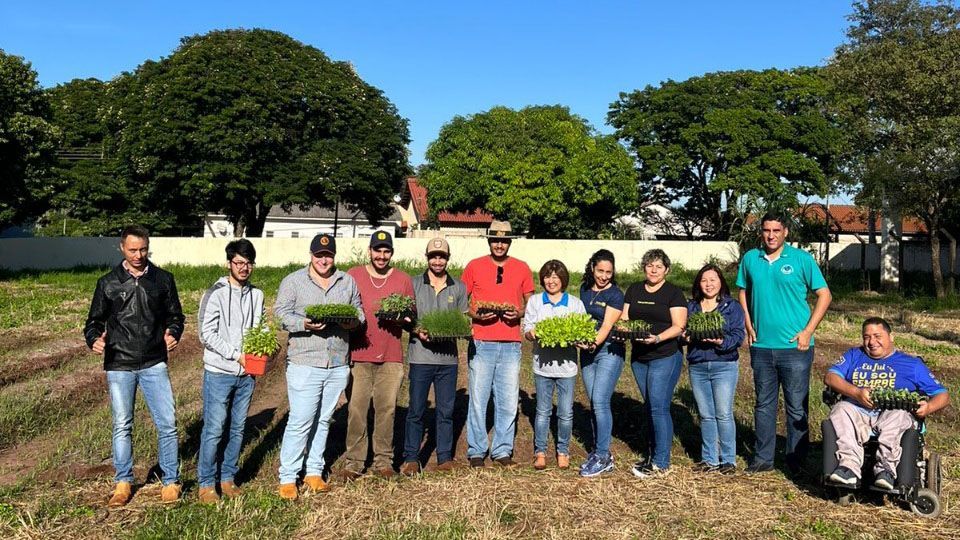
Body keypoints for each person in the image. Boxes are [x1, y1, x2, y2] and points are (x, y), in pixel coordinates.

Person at [83, 225, 185, 506]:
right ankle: (123, 481)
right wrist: (93, 339)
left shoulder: (163, 280)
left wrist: (173, 332)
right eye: (133, 250)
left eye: (143, 249)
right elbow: (93, 322)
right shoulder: (108, 283)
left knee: (167, 424)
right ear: (121, 248)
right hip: (119, 364)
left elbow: (176, 315)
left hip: (154, 362)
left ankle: (171, 481)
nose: (139, 255)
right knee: (122, 424)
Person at [736, 213, 832, 474]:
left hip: (795, 348)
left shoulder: (801, 259)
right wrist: (748, 323)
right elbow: (743, 291)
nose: (770, 235)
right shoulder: (750, 259)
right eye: (766, 230)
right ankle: (763, 458)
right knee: (763, 404)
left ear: (786, 232)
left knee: (796, 406)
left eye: (776, 230)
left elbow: (824, 295)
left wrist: (808, 331)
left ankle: (796, 461)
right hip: (762, 347)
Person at [275, 234, 362, 500]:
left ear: (334, 256)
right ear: (311, 255)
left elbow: (358, 313)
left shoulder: (346, 281)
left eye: (328, 255)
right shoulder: (294, 281)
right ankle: (288, 477)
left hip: (336, 362)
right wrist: (304, 324)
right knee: (301, 420)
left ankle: (314, 471)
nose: (324, 260)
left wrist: (351, 323)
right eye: (319, 255)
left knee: (324, 419)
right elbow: (280, 313)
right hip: (305, 361)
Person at [824, 317, 949, 489]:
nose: (871, 342)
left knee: (897, 415)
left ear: (891, 337)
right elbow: (831, 377)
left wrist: (928, 407)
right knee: (841, 409)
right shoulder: (854, 355)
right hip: (858, 412)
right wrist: (856, 393)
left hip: (893, 413)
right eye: (866, 337)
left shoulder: (911, 364)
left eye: (877, 336)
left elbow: (942, 394)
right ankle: (848, 468)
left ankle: (886, 471)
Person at [341, 231, 415, 479]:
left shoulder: (403, 279)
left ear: (391, 253)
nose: (381, 256)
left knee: (386, 409)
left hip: (391, 356)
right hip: (359, 354)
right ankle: (354, 461)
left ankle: (383, 461)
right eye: (377, 250)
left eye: (386, 251)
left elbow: (411, 316)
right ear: (370, 251)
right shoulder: (353, 275)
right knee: (356, 409)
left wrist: (405, 319)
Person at [196, 239, 264, 503]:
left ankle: (227, 478)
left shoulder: (256, 295)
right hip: (219, 371)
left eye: (248, 263)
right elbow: (206, 334)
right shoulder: (215, 293)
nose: (244, 267)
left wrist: (265, 347)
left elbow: (260, 327)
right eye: (238, 262)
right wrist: (237, 355)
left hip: (247, 375)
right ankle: (205, 483)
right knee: (214, 428)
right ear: (229, 264)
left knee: (237, 428)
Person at [462, 220, 535, 468]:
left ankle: (503, 449)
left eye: (504, 240)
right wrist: (475, 315)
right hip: (482, 340)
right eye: (495, 240)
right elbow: (463, 300)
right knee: (479, 398)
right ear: (489, 241)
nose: (500, 244)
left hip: (511, 342)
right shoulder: (474, 266)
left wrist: (521, 313)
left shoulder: (522, 268)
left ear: (510, 242)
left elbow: (530, 301)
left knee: (507, 399)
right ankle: (476, 449)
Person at [400, 237, 469, 475]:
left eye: (442, 256)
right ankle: (411, 458)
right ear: (427, 258)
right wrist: (418, 329)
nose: (437, 261)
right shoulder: (413, 284)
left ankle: (444, 457)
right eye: (433, 256)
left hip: (447, 360)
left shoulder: (458, 287)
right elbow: (406, 319)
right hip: (420, 357)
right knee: (416, 409)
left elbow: (462, 320)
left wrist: (463, 330)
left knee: (445, 411)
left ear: (447, 259)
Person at [620, 249, 687, 478]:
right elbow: (625, 319)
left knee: (658, 406)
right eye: (649, 265)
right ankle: (652, 454)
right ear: (644, 267)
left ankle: (661, 462)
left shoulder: (673, 293)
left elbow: (679, 326)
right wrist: (626, 331)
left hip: (665, 355)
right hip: (640, 358)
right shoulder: (634, 289)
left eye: (659, 266)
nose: (654, 270)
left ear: (667, 269)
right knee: (650, 405)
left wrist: (657, 338)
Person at [523, 260, 588, 470]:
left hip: (567, 367)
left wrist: (580, 339)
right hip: (542, 366)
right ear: (542, 279)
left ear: (563, 279)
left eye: (556, 277)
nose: (552, 281)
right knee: (542, 411)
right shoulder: (534, 301)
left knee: (565, 412)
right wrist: (531, 333)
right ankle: (540, 452)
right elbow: (527, 328)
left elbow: (583, 331)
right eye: (548, 277)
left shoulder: (575, 303)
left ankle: (563, 451)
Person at [685, 263, 745, 474]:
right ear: (698, 284)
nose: (708, 284)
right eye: (704, 280)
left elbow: (738, 335)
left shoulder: (732, 306)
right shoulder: (691, 307)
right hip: (698, 365)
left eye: (713, 280)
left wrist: (720, 341)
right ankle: (709, 458)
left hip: (724, 365)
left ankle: (728, 459)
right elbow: (682, 332)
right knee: (706, 414)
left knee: (723, 413)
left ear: (721, 282)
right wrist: (685, 337)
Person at [577, 249, 625, 478]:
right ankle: (597, 451)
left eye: (608, 272)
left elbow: (606, 327)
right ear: (592, 268)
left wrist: (593, 343)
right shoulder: (584, 290)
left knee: (600, 400)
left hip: (608, 349)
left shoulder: (615, 295)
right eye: (600, 271)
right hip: (587, 351)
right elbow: (582, 319)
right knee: (593, 402)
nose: (604, 276)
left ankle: (604, 455)